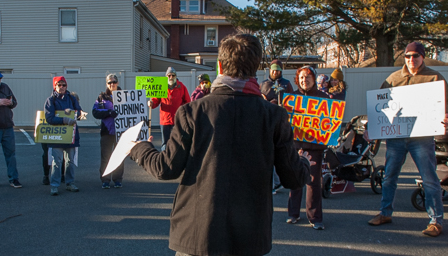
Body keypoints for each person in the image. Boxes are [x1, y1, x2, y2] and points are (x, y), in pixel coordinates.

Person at [129, 34, 312, 256]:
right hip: (249, 238)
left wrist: (138, 147)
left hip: (197, 235)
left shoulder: (193, 112)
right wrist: (304, 161)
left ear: (219, 66)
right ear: (256, 68)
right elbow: (293, 178)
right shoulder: (274, 115)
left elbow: (166, 168)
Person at [367, 41, 448, 237]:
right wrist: (372, 127)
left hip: (421, 137)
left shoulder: (433, 77)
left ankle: (435, 221)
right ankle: (385, 213)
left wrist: (446, 114)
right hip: (397, 136)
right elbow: (379, 105)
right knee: (389, 177)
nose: (411, 59)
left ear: (422, 56)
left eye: (415, 56)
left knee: (429, 179)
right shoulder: (393, 78)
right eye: (408, 56)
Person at [287, 66, 329, 230]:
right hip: (295, 146)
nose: (305, 80)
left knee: (313, 182)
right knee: (295, 180)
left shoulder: (323, 98)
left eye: (308, 77)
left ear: (314, 78)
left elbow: (330, 123)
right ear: (298, 80)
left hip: (314, 147)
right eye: (302, 77)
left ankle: (315, 217)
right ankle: (293, 214)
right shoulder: (292, 98)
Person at [260, 59, 295, 195]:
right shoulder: (263, 84)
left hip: (283, 122)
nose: (275, 72)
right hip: (268, 122)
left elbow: (293, 102)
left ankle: (280, 179)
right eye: (273, 69)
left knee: (282, 149)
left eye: (278, 70)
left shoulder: (286, 84)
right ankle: (273, 182)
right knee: (269, 150)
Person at [44, 76, 82, 195]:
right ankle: (54, 185)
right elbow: (49, 118)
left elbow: (78, 112)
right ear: (54, 86)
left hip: (71, 135)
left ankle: (70, 183)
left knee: (70, 161)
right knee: (57, 161)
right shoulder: (51, 100)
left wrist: (77, 115)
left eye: (63, 85)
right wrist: (64, 119)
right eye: (59, 85)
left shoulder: (71, 98)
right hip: (58, 136)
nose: (61, 87)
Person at [148, 67, 190, 151]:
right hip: (165, 120)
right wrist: (151, 103)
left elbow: (188, 102)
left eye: (173, 75)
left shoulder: (181, 87)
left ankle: (177, 162)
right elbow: (156, 100)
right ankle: (165, 162)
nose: (171, 77)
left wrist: (185, 115)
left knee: (178, 142)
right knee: (165, 143)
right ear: (166, 76)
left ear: (176, 76)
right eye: (169, 75)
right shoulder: (161, 86)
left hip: (177, 120)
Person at [92, 74, 122, 189]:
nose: (112, 84)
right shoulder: (101, 97)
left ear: (117, 83)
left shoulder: (125, 96)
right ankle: (105, 179)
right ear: (106, 84)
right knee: (106, 156)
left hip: (120, 131)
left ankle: (118, 179)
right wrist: (108, 112)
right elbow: (95, 112)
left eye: (114, 82)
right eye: (109, 83)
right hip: (107, 131)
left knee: (119, 156)